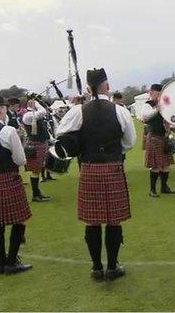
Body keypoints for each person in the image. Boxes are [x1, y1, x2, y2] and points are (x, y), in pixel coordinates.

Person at [56, 67, 137, 281]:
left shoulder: (77, 111)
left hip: (89, 168)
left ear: (89, 88)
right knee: (113, 220)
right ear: (107, 86)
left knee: (92, 221)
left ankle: (96, 267)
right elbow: (130, 142)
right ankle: (112, 266)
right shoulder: (120, 111)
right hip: (113, 167)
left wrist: (80, 143)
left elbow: (60, 133)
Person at [0, 95, 33, 275]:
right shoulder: (8, 131)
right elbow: (20, 160)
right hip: (9, 178)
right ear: (1, 110)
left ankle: (1, 263)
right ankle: (12, 261)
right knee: (19, 220)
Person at [139, 84, 175, 197]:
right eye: (157, 93)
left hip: (164, 138)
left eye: (161, 93)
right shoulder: (148, 105)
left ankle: (164, 187)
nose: (159, 96)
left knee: (166, 165)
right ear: (152, 93)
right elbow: (144, 117)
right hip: (154, 137)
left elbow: (169, 119)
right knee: (155, 166)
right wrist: (158, 109)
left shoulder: (166, 104)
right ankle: (152, 190)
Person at [22, 99, 52, 201]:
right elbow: (43, 111)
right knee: (35, 170)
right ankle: (36, 194)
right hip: (34, 145)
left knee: (37, 170)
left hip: (39, 144)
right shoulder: (28, 115)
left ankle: (37, 193)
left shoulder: (35, 115)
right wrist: (37, 103)